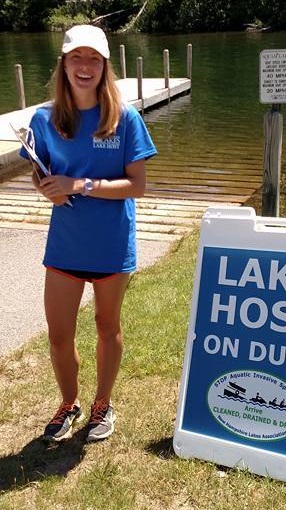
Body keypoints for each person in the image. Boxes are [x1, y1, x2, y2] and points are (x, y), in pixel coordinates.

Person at [19, 24, 157, 443]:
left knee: (106, 326)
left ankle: (103, 403)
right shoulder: (44, 118)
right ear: (63, 64)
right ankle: (69, 402)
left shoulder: (124, 116)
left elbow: (137, 185)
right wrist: (46, 188)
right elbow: (38, 172)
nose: (84, 66)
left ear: (104, 66)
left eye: (93, 59)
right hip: (65, 244)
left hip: (112, 243)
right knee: (59, 335)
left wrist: (79, 185)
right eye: (76, 58)